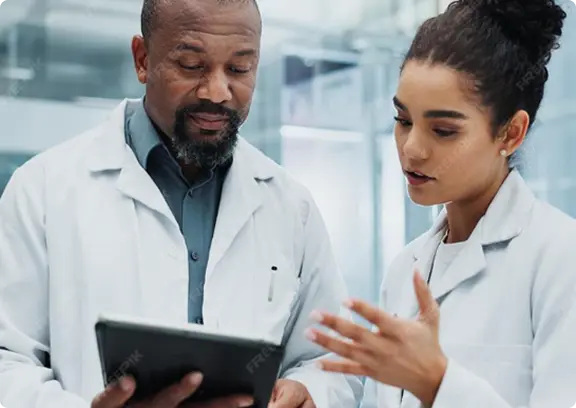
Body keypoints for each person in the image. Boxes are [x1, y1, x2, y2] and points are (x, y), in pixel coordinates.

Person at [0, 0, 363, 407]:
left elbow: (330, 357)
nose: (218, 92)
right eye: (192, 66)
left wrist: (310, 393)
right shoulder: (44, 190)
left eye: (240, 69)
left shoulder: (291, 205)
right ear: (142, 59)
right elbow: (6, 361)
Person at [305, 0, 576, 407]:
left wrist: (438, 383)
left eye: (444, 130)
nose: (411, 149)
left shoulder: (560, 258)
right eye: (403, 121)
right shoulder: (405, 269)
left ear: (511, 133)